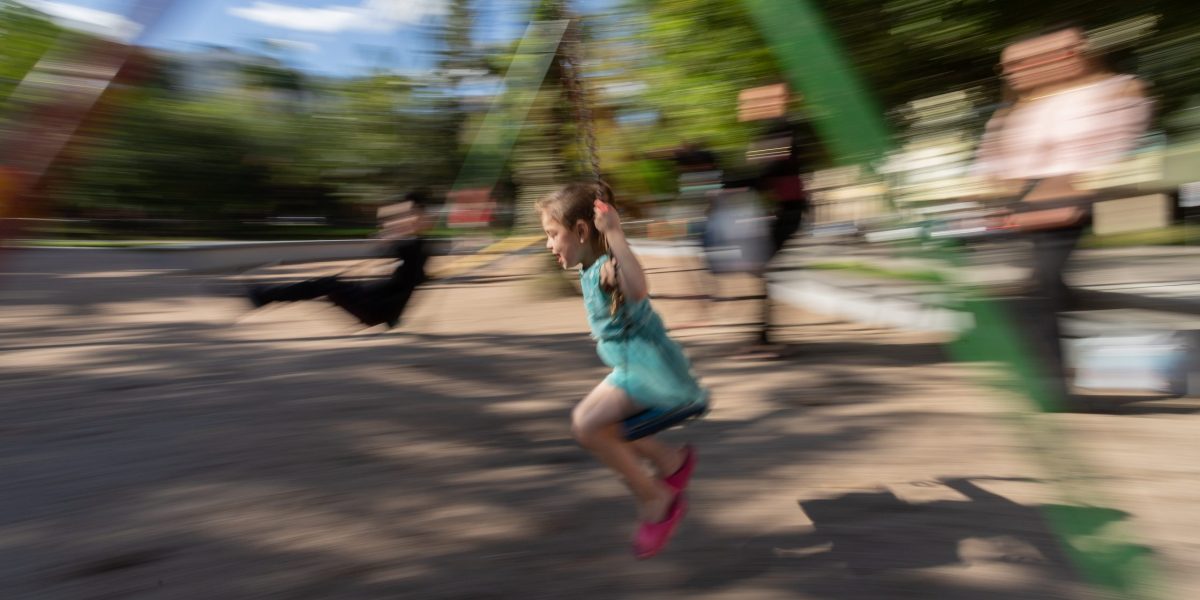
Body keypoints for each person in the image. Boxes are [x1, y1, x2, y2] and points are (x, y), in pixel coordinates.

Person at [975, 26, 1151, 404]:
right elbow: (993, 164)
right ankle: (1054, 370)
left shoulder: (1115, 90)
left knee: (1044, 284)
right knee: (1038, 289)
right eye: (1010, 65)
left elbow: (1113, 151)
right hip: (1034, 204)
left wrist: (1067, 182)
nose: (1017, 71)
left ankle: (1051, 382)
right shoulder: (1016, 109)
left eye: (1029, 61)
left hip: (1079, 201)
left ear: (1076, 55)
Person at [537, 181, 708, 559]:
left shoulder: (606, 266)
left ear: (581, 231)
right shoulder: (590, 265)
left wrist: (614, 233)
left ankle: (658, 499)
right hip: (632, 368)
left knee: (587, 424)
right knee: (605, 427)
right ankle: (670, 461)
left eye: (552, 235)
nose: (548, 245)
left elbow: (638, 288)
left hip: (653, 370)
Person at [246, 188, 433, 329]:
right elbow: (410, 276)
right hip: (381, 307)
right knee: (328, 283)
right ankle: (265, 296)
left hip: (378, 311)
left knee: (326, 284)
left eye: (410, 215)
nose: (404, 219)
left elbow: (407, 267)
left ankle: (265, 296)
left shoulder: (415, 246)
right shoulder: (416, 246)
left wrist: (394, 236)